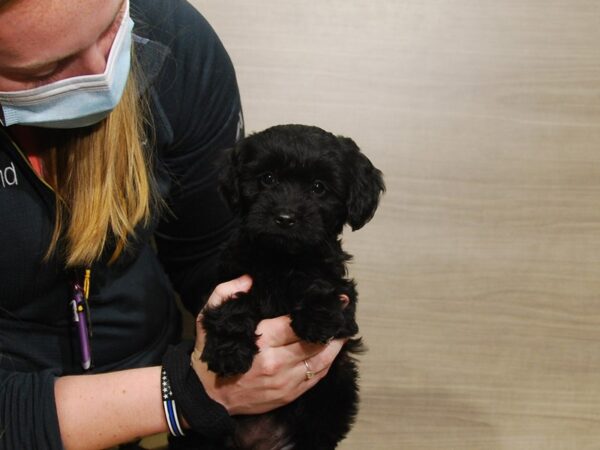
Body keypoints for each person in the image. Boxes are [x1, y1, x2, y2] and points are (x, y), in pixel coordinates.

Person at [0, 0, 345, 448]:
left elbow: (208, 247)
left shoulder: (175, 41)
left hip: (152, 377)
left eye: (111, 30)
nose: (102, 71)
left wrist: (271, 335)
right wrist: (180, 394)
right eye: (45, 69)